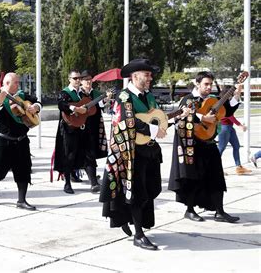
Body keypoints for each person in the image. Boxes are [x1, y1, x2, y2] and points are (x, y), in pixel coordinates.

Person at [100, 59, 174, 251]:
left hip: (149, 150)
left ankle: (127, 217)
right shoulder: (125, 97)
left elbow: (156, 118)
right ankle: (139, 235)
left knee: (152, 188)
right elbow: (126, 122)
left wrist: (168, 122)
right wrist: (153, 128)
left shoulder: (148, 96)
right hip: (131, 153)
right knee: (138, 192)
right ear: (134, 76)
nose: (150, 78)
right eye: (146, 74)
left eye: (150, 75)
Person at [169, 71, 241, 224]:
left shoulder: (212, 100)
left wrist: (236, 94)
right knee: (192, 178)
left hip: (209, 143)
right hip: (192, 144)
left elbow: (226, 111)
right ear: (197, 83)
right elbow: (182, 116)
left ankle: (219, 211)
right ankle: (189, 210)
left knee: (217, 177)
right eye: (205, 84)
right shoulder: (188, 99)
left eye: (210, 84)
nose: (209, 87)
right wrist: (202, 117)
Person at [0, 72, 41, 210]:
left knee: (24, 170)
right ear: (7, 83)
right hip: (2, 141)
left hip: (21, 140)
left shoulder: (22, 95)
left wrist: (36, 107)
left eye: (18, 82)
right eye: (16, 82)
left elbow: (37, 101)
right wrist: (0, 101)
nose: (18, 84)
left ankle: (21, 200)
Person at [53, 70, 87, 194]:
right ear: (69, 79)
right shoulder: (65, 93)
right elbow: (61, 104)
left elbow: (88, 107)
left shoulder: (82, 94)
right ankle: (67, 182)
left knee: (79, 153)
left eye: (79, 78)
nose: (78, 80)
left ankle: (74, 174)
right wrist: (73, 108)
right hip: (68, 129)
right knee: (68, 155)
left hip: (80, 128)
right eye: (75, 78)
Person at [78, 70, 108, 193]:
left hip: (94, 127)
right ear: (81, 82)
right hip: (80, 127)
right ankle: (93, 182)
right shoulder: (77, 94)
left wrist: (106, 100)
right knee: (84, 154)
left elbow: (100, 106)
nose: (89, 82)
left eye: (90, 79)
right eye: (86, 80)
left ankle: (92, 179)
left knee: (90, 153)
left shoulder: (96, 93)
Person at [217, 85, 251, 175]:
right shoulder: (223, 103)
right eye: (233, 91)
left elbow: (236, 97)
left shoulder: (229, 101)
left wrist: (239, 88)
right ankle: (215, 169)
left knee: (236, 146)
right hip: (224, 128)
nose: (235, 92)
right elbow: (230, 116)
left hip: (229, 127)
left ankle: (238, 167)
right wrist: (240, 125)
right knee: (221, 149)